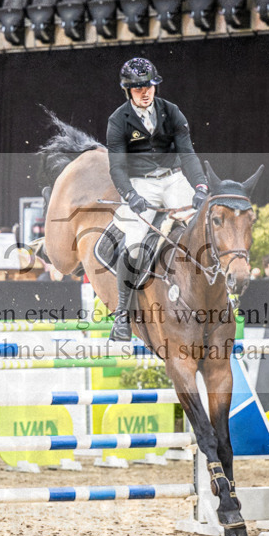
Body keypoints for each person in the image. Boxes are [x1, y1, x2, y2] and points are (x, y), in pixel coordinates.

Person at [105, 57, 209, 341]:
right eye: (138, 88)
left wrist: (200, 185)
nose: (145, 92)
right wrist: (130, 194)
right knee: (134, 243)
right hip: (141, 183)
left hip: (174, 178)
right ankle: (122, 317)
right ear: (128, 90)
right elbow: (117, 166)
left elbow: (187, 153)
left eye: (148, 85)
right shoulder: (117, 120)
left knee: (203, 227)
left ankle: (219, 297)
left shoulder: (171, 111)